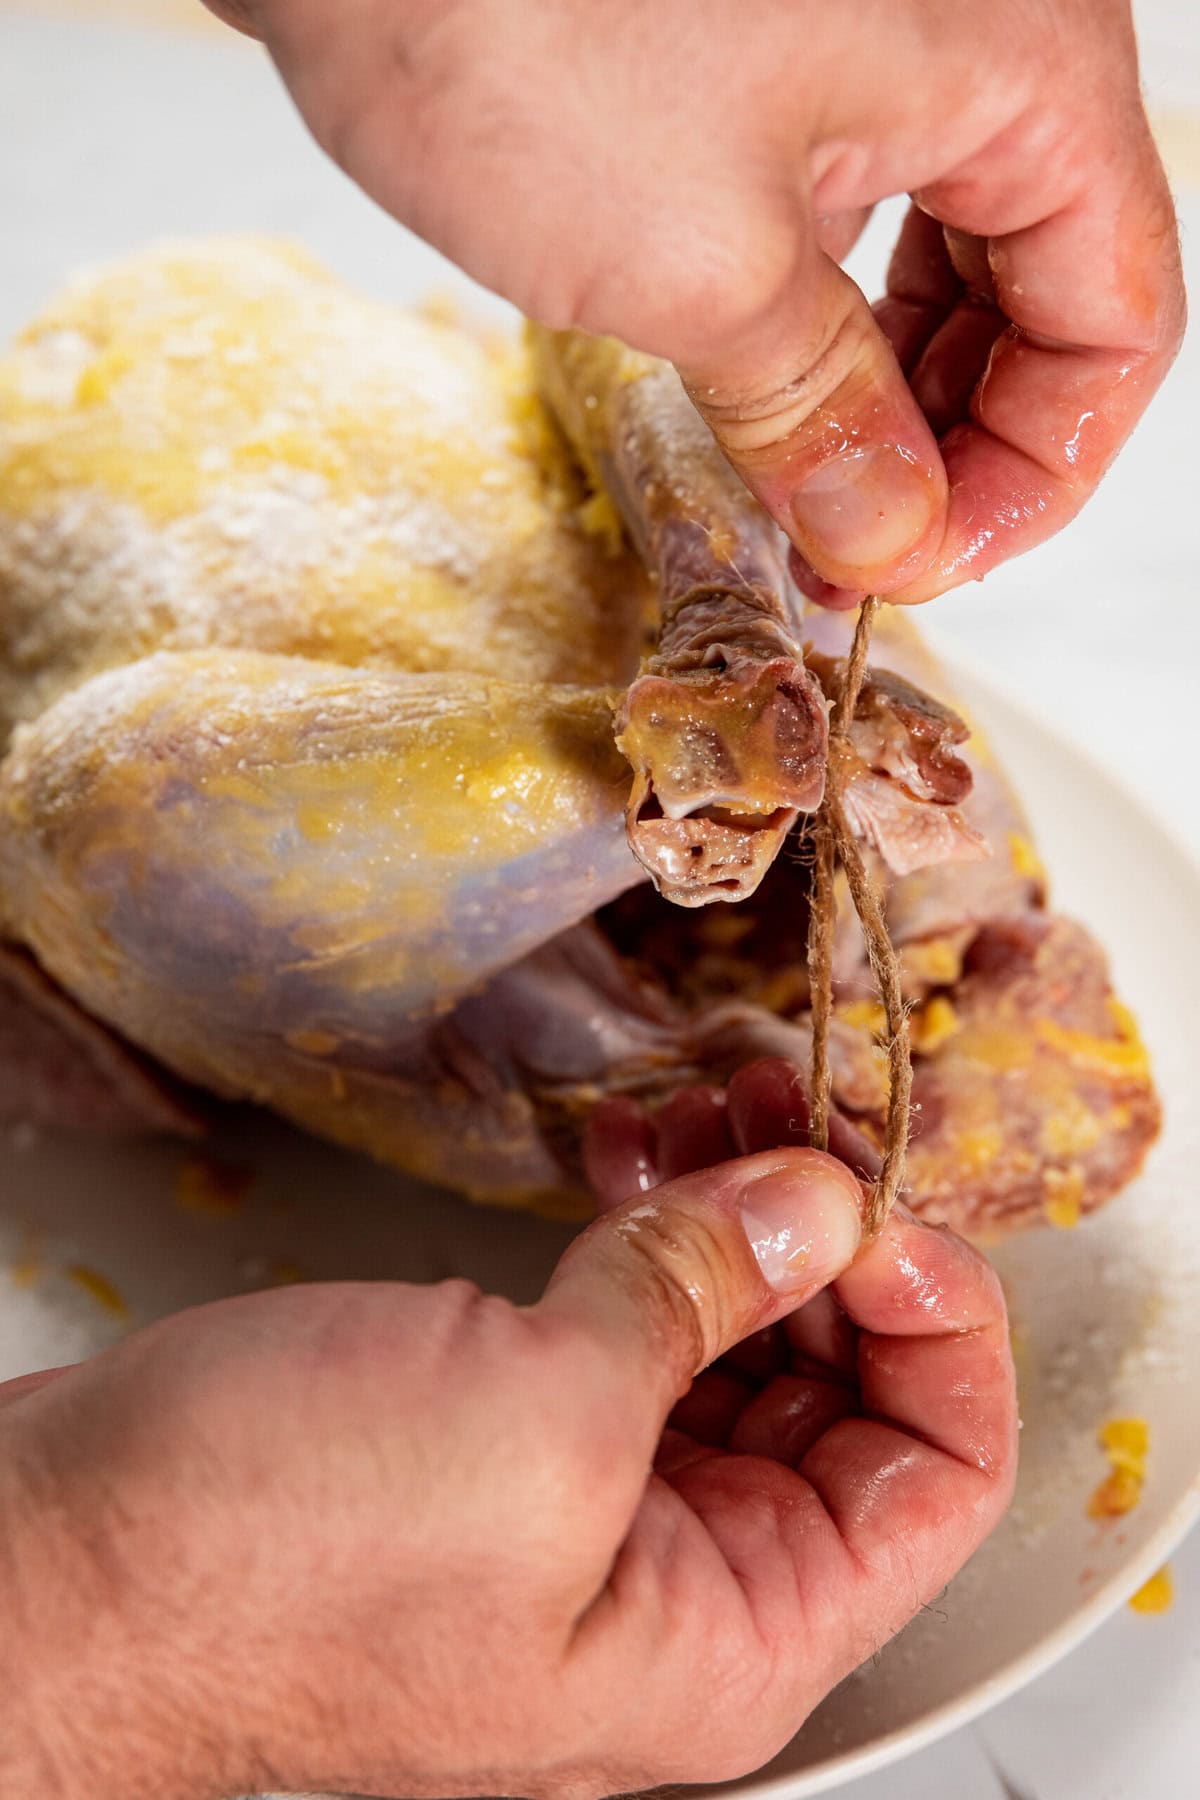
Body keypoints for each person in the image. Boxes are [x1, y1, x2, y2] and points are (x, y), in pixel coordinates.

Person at [0, 1, 1182, 1793]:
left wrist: (725, 587)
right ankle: (696, 722)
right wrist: (114, 1605)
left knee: (126, 811)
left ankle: (714, 691)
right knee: (101, 814)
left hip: (522, 588)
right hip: (214, 652)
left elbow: (597, 319)